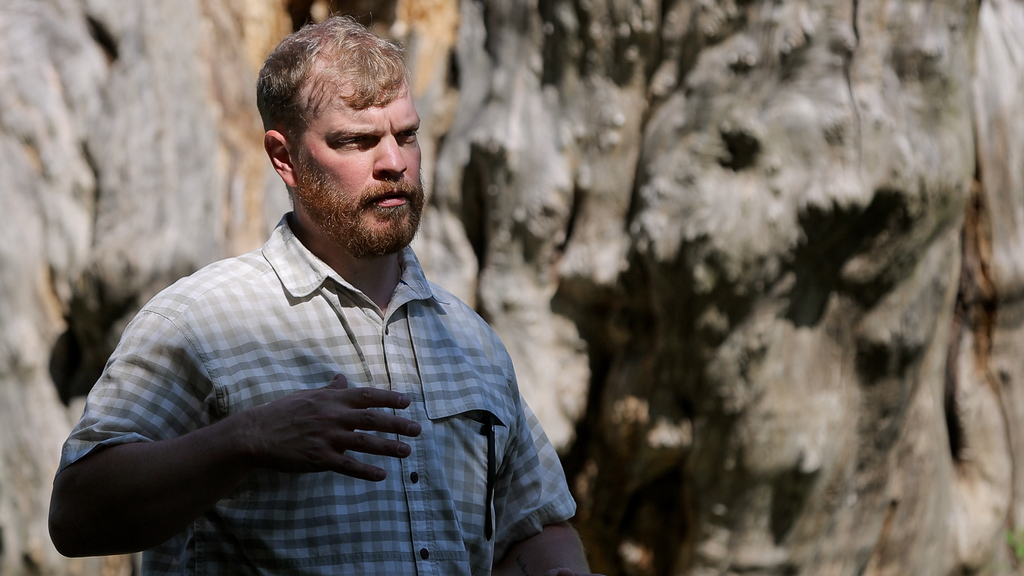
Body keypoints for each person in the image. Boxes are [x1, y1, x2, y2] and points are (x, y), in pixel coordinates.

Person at [48, 15, 598, 576]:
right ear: (283, 157)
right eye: (356, 141)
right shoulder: (195, 320)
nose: (393, 163)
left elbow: (534, 525)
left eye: (406, 135)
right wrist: (247, 438)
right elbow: (74, 514)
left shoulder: (470, 341)